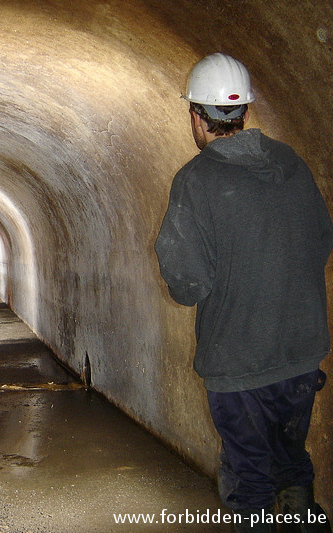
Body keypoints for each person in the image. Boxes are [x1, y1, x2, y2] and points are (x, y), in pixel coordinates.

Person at [155, 53, 333, 533]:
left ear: (197, 115)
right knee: (292, 463)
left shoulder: (195, 182)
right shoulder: (291, 164)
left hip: (239, 367)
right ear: (245, 112)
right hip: (300, 355)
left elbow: (189, 286)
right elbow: (321, 241)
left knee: (249, 478)